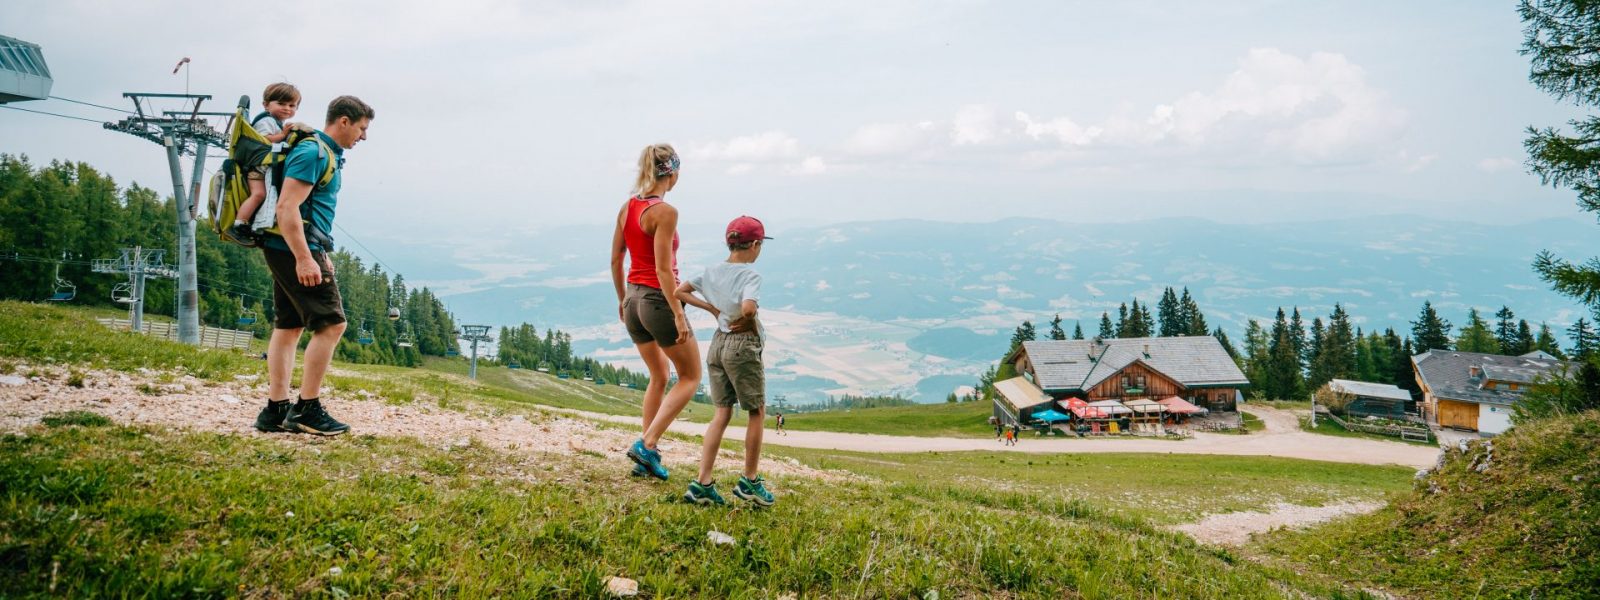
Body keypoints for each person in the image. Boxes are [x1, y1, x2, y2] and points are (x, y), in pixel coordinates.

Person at [251, 95, 374, 436]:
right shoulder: (314, 153)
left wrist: (318, 249)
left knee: (289, 325)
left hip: (288, 246)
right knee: (332, 324)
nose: (363, 137)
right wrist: (305, 257)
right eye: (362, 129)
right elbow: (287, 208)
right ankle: (307, 408)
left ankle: (276, 410)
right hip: (293, 248)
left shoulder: (323, 152)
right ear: (344, 121)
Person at [611, 144, 708, 480]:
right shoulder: (665, 212)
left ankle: (647, 454)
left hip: (634, 300)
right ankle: (647, 442)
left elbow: (616, 258)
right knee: (691, 376)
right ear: (673, 173)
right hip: (657, 300)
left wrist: (622, 299)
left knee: (659, 375)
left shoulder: (628, 207)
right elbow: (665, 270)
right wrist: (679, 313)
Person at [674, 215, 776, 506]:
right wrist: (749, 316)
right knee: (756, 411)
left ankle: (702, 482)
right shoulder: (750, 275)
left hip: (717, 346)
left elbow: (679, 291)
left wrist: (712, 310)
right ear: (755, 244)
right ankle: (750, 481)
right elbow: (747, 308)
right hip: (742, 347)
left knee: (722, 412)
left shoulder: (711, 271)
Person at [231, 82, 305, 243]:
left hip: (263, 166)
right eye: (281, 103)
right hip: (258, 167)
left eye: (292, 105)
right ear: (266, 105)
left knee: (264, 196)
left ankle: (251, 222)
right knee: (259, 194)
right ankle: (239, 223)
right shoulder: (265, 121)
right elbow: (264, 139)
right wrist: (283, 135)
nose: (287, 108)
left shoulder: (275, 121)